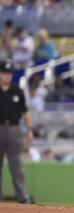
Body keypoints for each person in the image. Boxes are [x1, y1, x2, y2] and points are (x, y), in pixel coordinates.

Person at [0, 60, 33, 203]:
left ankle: (22, 198)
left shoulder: (17, 91)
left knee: (17, 166)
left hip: (14, 130)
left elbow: (25, 111)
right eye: (4, 73)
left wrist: (29, 129)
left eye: (9, 73)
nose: (7, 76)